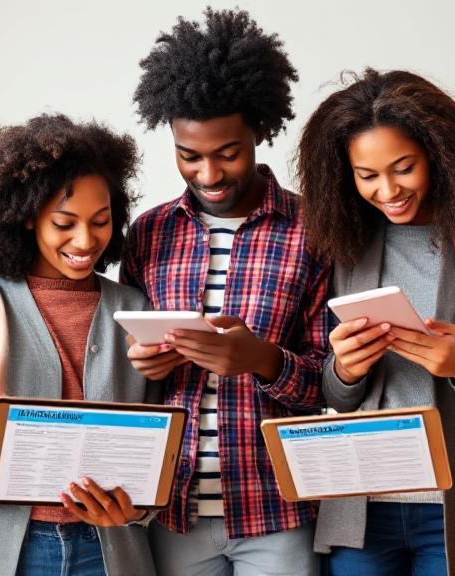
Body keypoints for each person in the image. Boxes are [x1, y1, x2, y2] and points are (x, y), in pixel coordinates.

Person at [296, 69, 455, 576]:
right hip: (362, 502)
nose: (388, 190)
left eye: (403, 167)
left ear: (437, 153)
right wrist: (345, 370)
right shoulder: (344, 240)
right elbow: (333, 395)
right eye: (367, 176)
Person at [124, 8, 331, 575]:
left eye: (227, 153)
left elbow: (331, 384)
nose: (209, 174)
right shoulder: (148, 232)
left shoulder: (312, 230)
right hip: (173, 512)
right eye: (189, 156)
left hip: (278, 511)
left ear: (260, 132)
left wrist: (261, 359)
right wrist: (142, 365)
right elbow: (129, 385)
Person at [0, 114, 157, 576]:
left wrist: (135, 510)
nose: (86, 240)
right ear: (29, 217)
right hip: (1, 555)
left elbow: (156, 467)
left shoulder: (136, 310)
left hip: (111, 553)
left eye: (101, 220)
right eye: (65, 223)